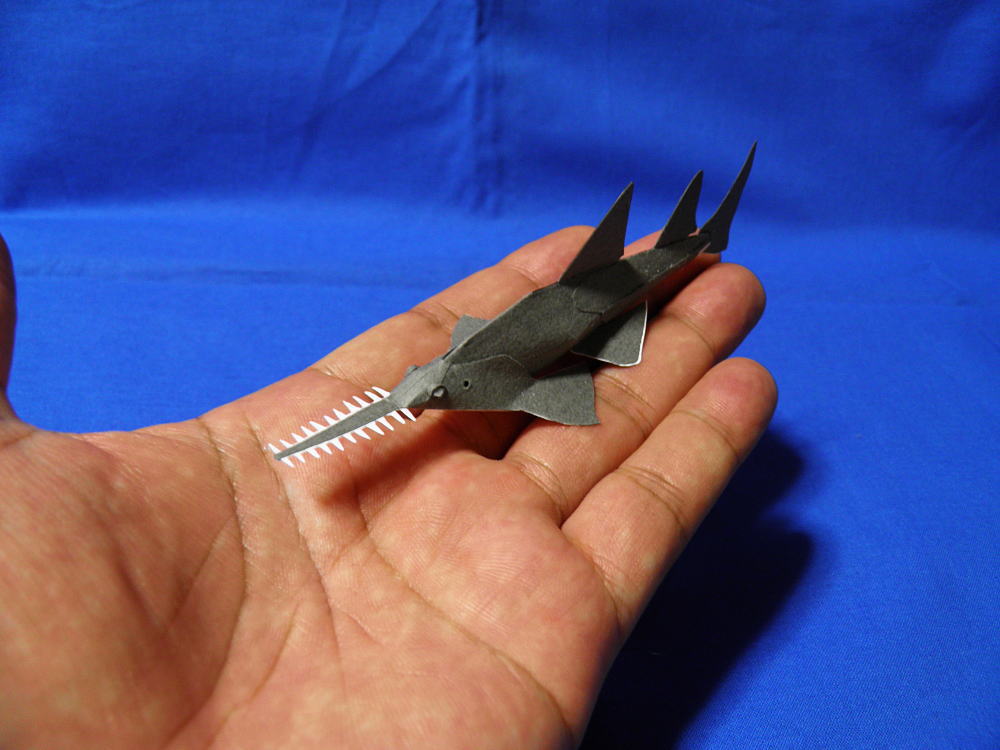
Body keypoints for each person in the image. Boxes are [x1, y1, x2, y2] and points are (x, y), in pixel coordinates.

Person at [0, 224, 775, 748]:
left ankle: (693, 240)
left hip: (564, 329)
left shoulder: (497, 379)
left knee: (632, 297)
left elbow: (559, 389)